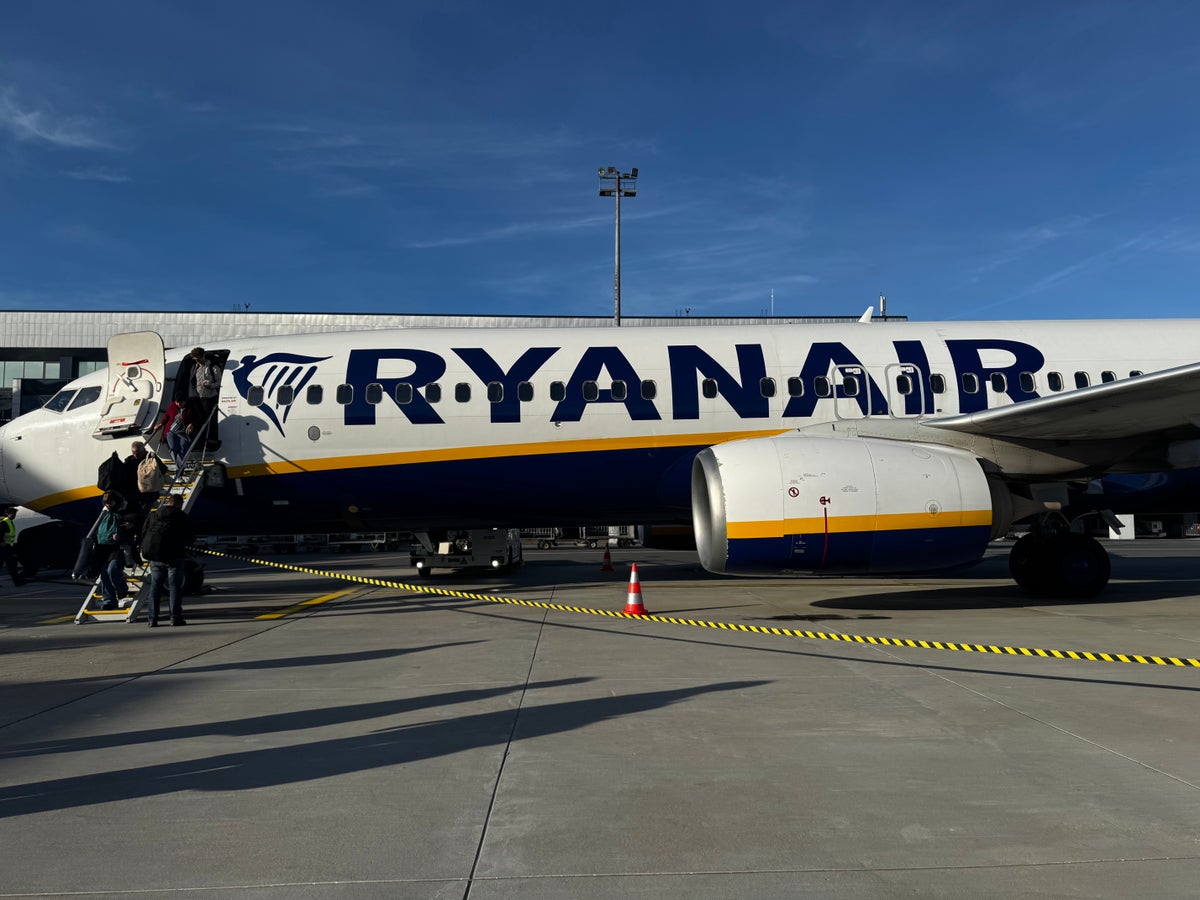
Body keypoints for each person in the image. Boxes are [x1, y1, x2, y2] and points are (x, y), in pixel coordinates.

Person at [140, 493, 194, 627]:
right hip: (175, 557)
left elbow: (144, 532)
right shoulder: (181, 516)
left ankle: (152, 619)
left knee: (155, 587)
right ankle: (175, 618)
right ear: (179, 504)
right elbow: (189, 537)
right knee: (174, 587)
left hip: (156, 556)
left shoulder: (153, 515)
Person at [95, 491, 131, 611]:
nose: (108, 505)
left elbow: (131, 526)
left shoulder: (123, 512)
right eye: (106, 503)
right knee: (104, 575)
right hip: (104, 548)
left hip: (117, 548)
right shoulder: (105, 513)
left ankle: (122, 589)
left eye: (110, 502)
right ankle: (109, 600)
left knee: (112, 570)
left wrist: (123, 531)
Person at [190, 347, 221, 449]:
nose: (197, 361)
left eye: (198, 358)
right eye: (195, 359)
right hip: (199, 397)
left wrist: (210, 386)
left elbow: (219, 382)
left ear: (203, 356)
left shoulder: (213, 367)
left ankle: (210, 440)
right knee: (199, 419)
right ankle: (200, 440)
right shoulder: (195, 368)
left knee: (208, 419)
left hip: (209, 397)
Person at [0, 506, 24, 588]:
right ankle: (17, 582)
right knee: (11, 566)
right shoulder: (4, 522)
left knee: (11, 565)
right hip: (4, 548)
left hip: (7, 548)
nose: (14, 516)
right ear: (7, 514)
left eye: (15, 514)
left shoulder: (8, 521)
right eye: (13, 514)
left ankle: (17, 582)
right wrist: (4, 545)